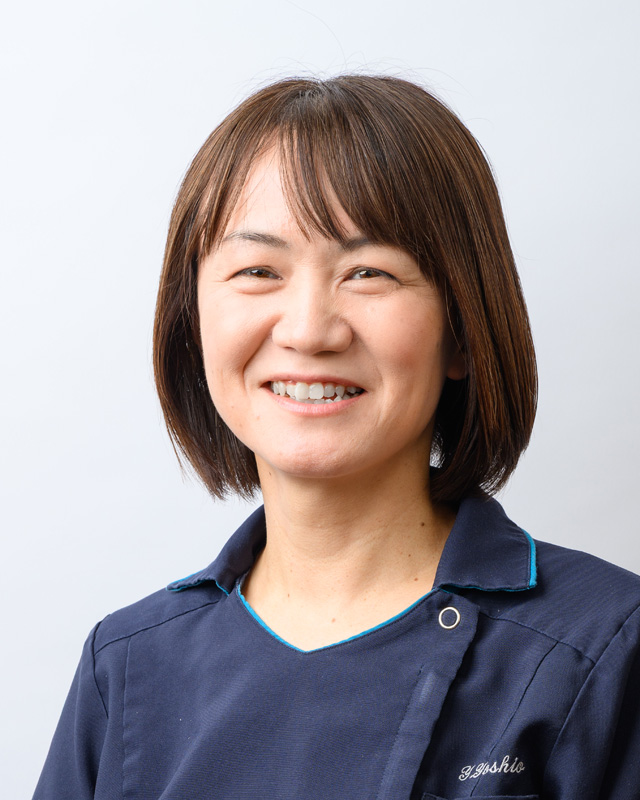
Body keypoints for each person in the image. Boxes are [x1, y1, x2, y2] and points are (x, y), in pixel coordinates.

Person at [34, 75, 640, 800]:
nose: (308, 330)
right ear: (192, 320)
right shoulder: (127, 665)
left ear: (461, 328)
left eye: (368, 272)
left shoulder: (605, 645)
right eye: (258, 270)